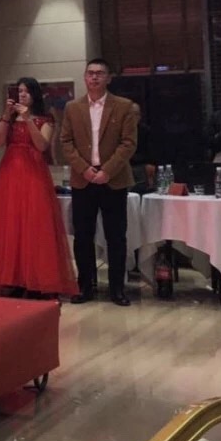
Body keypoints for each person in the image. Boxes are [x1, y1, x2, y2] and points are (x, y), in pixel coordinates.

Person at [0, 78, 77, 298]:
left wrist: (28, 119)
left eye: (26, 91)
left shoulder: (44, 119)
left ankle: (36, 279)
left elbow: (42, 145)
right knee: (11, 223)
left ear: (34, 95)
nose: (22, 95)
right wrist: (5, 115)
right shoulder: (10, 120)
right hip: (10, 172)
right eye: (19, 91)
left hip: (33, 172)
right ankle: (13, 278)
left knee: (35, 222)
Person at [59, 58, 140, 305]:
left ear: (108, 78)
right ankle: (85, 287)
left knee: (116, 236)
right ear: (85, 77)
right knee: (83, 236)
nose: (94, 77)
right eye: (90, 73)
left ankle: (117, 289)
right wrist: (84, 169)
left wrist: (107, 170)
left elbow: (128, 143)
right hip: (83, 179)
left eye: (100, 73)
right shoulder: (73, 107)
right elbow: (66, 142)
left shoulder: (124, 106)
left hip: (113, 179)